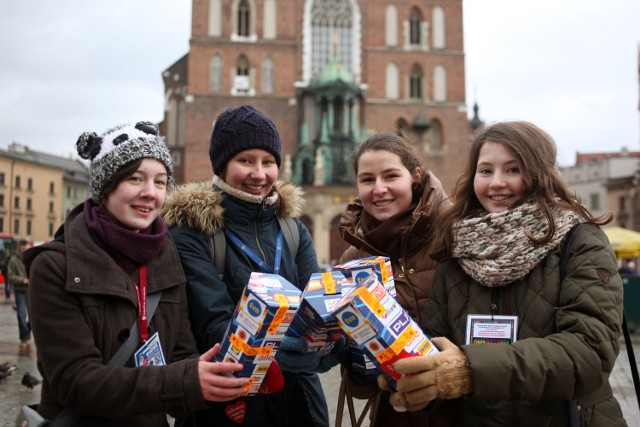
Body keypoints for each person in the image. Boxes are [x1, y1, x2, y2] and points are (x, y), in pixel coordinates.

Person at [384, 121, 627, 426]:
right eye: (485, 171)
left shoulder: (579, 240)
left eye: (513, 170)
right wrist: (412, 373)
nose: (496, 183)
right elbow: (437, 340)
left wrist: (470, 370)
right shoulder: (457, 246)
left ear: (540, 175)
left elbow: (590, 352)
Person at [23, 121, 250, 426]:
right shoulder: (55, 266)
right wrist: (183, 381)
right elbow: (74, 380)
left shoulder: (165, 252)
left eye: (160, 182)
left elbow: (181, 354)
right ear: (105, 187)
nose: (150, 194)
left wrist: (219, 376)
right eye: (135, 179)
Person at [162, 104, 335, 426]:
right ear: (222, 166)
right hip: (228, 404)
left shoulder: (292, 229)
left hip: (300, 404)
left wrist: (331, 338)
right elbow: (213, 323)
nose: (259, 174)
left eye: (268, 162)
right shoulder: (194, 232)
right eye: (246, 161)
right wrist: (288, 352)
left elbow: (317, 306)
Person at [336, 131, 452, 426]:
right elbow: (359, 386)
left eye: (390, 176)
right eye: (367, 180)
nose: (379, 189)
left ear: (415, 175)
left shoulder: (454, 233)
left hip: (460, 412)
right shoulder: (353, 259)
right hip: (394, 414)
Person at [8, 239, 31, 351]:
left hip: (31, 291)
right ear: (19, 247)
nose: (25, 250)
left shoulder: (31, 258)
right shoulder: (13, 260)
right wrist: (23, 280)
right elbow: (10, 276)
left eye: (27, 248)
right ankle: (24, 338)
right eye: (24, 248)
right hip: (20, 291)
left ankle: (26, 333)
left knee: (33, 316)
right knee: (21, 315)